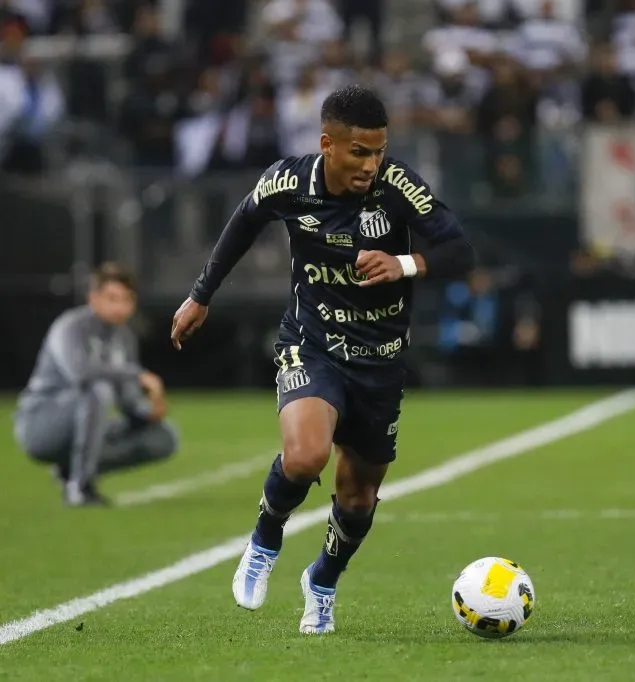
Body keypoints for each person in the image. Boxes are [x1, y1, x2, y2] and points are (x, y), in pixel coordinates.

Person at [169, 85, 475, 635]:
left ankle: (323, 580)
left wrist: (405, 263)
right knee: (307, 454)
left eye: (379, 150)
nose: (371, 164)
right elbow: (242, 223)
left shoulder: (397, 185)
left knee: (358, 494)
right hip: (312, 342)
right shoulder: (287, 181)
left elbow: (459, 250)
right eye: (359, 151)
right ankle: (265, 538)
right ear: (327, 143)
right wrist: (200, 296)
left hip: (381, 360)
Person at [14, 262, 178, 507]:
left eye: (126, 299)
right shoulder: (70, 327)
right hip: (41, 424)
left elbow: (128, 401)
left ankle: (70, 470)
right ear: (94, 298)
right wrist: (136, 374)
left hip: (87, 419)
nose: (119, 306)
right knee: (97, 391)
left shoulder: (124, 338)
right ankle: (79, 488)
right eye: (111, 298)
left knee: (163, 437)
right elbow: (80, 373)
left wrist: (147, 412)